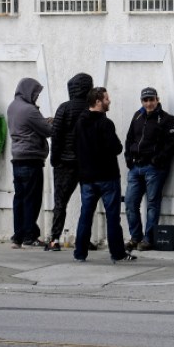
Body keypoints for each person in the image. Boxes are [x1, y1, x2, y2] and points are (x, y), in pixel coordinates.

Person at [73, 87, 136, 263]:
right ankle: (117, 253)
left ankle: (80, 253)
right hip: (107, 176)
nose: (110, 101)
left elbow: (74, 147)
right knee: (112, 217)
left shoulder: (80, 122)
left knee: (85, 215)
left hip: (86, 177)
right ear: (98, 101)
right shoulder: (105, 123)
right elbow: (116, 147)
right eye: (107, 98)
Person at [123, 87, 174, 251]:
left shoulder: (167, 119)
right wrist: (129, 159)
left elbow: (173, 145)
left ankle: (148, 239)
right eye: (145, 100)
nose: (148, 103)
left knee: (152, 205)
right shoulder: (137, 116)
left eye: (151, 99)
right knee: (130, 203)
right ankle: (135, 238)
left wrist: (157, 160)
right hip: (135, 167)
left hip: (154, 169)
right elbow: (129, 139)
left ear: (157, 99)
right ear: (142, 101)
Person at [46, 72, 94, 251]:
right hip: (87, 163)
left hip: (65, 163)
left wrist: (54, 159)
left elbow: (56, 135)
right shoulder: (92, 108)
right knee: (87, 203)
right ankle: (84, 239)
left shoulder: (64, 108)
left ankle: (54, 239)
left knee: (60, 202)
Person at [7, 77, 51, 248]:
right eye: (35, 93)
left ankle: (18, 236)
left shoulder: (13, 106)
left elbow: (29, 126)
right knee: (32, 199)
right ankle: (30, 236)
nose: (36, 96)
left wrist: (41, 120)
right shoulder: (29, 110)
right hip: (31, 158)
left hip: (17, 158)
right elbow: (48, 131)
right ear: (28, 91)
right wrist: (52, 122)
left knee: (19, 199)